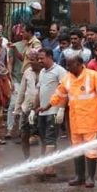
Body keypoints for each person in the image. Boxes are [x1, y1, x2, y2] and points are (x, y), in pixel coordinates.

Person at [46, 55, 97, 188]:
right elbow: (59, 94)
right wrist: (48, 105)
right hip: (75, 120)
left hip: (91, 119)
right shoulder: (67, 78)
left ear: (80, 64)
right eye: (67, 65)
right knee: (77, 148)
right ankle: (79, 176)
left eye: (71, 65)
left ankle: (90, 178)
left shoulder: (93, 76)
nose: (69, 68)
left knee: (91, 149)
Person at [34, 48, 66, 176]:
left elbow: (65, 91)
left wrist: (61, 109)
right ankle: (50, 166)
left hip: (53, 111)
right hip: (42, 111)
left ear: (50, 57)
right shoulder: (42, 72)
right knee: (44, 140)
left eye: (42, 58)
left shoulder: (59, 71)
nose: (39, 61)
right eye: (38, 58)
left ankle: (45, 166)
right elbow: (39, 91)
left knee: (50, 139)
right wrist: (34, 109)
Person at [15, 48, 41, 161]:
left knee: (42, 135)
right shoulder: (27, 72)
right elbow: (21, 92)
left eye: (33, 60)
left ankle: (43, 159)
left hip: (41, 109)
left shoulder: (45, 72)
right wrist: (17, 110)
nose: (31, 62)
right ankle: (27, 159)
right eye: (30, 60)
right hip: (27, 108)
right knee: (24, 134)